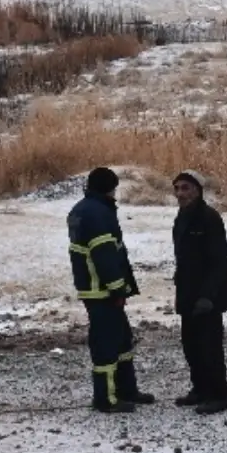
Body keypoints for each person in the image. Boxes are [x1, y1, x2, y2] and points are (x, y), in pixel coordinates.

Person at [66, 167, 155, 413]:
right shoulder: (98, 213)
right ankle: (106, 399)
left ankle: (127, 390)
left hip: (93, 288)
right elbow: (104, 255)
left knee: (122, 339)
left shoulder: (81, 209)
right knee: (107, 343)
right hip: (102, 290)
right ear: (111, 188)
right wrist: (118, 289)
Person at [171, 170, 227, 415]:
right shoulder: (182, 217)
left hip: (208, 296)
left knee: (210, 347)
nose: (180, 194)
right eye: (177, 188)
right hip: (188, 292)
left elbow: (218, 261)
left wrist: (208, 296)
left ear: (198, 190)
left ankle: (218, 395)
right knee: (190, 345)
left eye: (185, 188)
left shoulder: (209, 218)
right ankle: (199, 389)